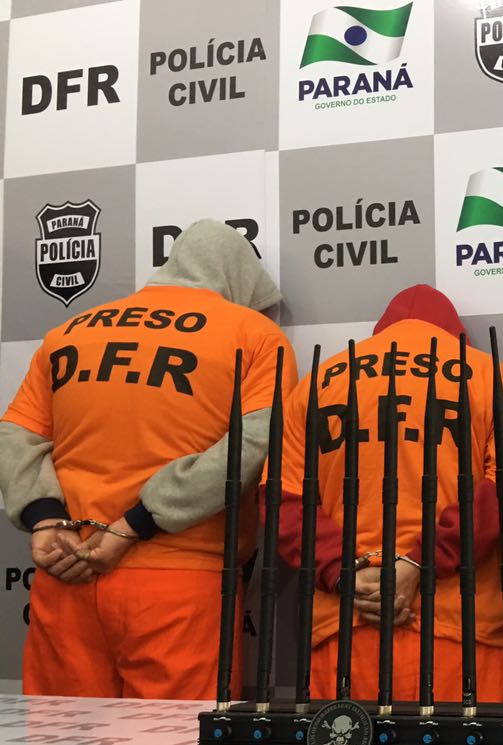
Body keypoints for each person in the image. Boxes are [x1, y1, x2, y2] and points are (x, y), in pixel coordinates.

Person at [0, 219, 295, 699]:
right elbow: (254, 443)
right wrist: (136, 523)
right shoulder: (253, 333)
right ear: (240, 277)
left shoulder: (70, 331)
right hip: (178, 579)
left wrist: (45, 519)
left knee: (62, 742)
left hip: (67, 569)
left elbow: (17, 432)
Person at [275, 284, 503, 701]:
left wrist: (348, 574)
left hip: (344, 624)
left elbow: (283, 501)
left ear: (381, 332)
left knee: (346, 741)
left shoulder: (319, 381)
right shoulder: (490, 376)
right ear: (455, 334)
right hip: (458, 626)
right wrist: (421, 562)